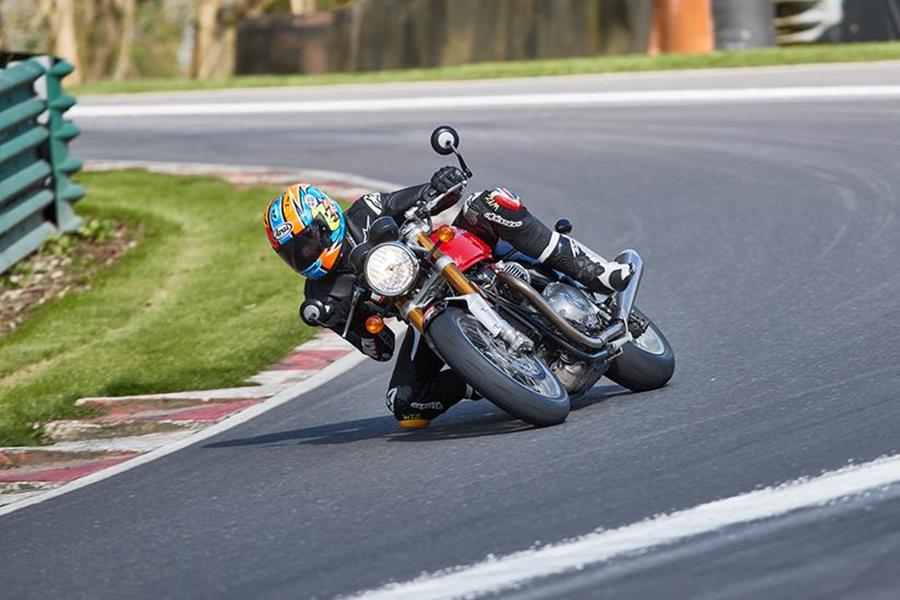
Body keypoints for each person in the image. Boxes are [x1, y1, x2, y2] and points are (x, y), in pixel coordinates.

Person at [263, 166, 633, 429]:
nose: (303, 255)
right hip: (422, 314)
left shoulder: (366, 209)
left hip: (451, 259)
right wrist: (350, 324)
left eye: (306, 241)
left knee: (490, 203)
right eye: (292, 253)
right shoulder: (320, 293)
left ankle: (597, 272)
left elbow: (428, 196)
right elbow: (381, 348)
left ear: (326, 218)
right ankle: (491, 374)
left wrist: (441, 184)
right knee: (407, 407)